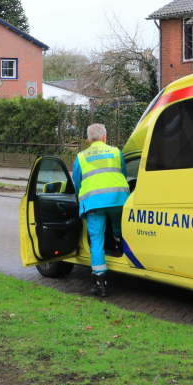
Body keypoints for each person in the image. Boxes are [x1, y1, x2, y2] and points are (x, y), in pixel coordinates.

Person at [72, 123, 130, 297]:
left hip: (94, 202)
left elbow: (77, 182)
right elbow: (124, 174)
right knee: (119, 224)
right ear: (105, 137)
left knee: (96, 240)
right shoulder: (116, 152)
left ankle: (100, 283)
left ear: (89, 139)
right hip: (118, 198)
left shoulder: (81, 157)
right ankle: (118, 238)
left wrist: (80, 198)